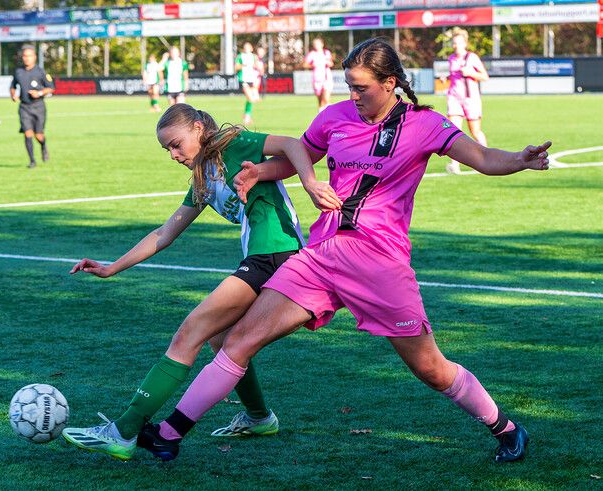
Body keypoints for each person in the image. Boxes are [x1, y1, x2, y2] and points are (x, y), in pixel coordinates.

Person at [138, 38, 551, 463]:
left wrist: (519, 159)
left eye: (360, 88)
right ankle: (169, 435)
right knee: (239, 341)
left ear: (390, 83)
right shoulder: (334, 117)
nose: (351, 96)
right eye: (347, 86)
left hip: (379, 263)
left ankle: (505, 428)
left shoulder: (424, 123)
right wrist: (259, 171)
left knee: (430, 368)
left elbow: (481, 156)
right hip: (320, 255)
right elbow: (298, 158)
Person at [62, 103, 314, 461]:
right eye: (168, 149)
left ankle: (122, 431)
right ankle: (260, 418)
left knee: (190, 331)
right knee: (220, 337)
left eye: (177, 144)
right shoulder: (204, 178)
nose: (174, 154)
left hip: (276, 253)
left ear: (199, 128)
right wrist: (112, 267)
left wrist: (310, 182)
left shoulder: (233, 144)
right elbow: (165, 233)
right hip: (263, 257)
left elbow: (291, 143)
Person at [445, 27, 489, 175]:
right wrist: (447, 77)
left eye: (458, 43)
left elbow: (484, 76)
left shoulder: (472, 58)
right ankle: (454, 165)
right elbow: (454, 76)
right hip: (454, 98)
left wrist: (470, 73)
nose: (455, 45)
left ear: (465, 43)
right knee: (454, 132)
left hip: (471, 99)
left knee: (475, 131)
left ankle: (486, 159)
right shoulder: (451, 58)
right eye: (453, 43)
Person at [10, 45, 55, 169]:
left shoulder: (40, 71)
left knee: (38, 135)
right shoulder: (18, 71)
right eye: (24, 56)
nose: (26, 58)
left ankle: (43, 146)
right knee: (28, 133)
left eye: (29, 56)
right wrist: (13, 95)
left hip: (39, 107)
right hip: (24, 107)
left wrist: (39, 93)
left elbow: (51, 87)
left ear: (34, 57)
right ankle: (32, 161)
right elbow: (13, 86)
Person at [304, 37, 334, 112]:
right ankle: (321, 117)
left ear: (322, 44)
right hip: (317, 79)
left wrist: (328, 63)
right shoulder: (312, 54)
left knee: (326, 99)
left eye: (318, 43)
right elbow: (305, 64)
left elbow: (331, 63)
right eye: (315, 44)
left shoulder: (326, 52)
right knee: (320, 101)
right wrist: (312, 65)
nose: (316, 45)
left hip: (327, 78)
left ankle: (329, 115)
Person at [236, 42, 260, 125]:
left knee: (252, 100)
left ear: (251, 48)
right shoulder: (240, 56)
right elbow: (236, 67)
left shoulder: (254, 57)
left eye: (248, 47)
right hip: (243, 79)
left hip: (252, 79)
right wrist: (243, 65)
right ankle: (246, 117)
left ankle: (246, 116)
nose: (246, 48)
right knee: (251, 98)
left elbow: (257, 67)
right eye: (245, 47)